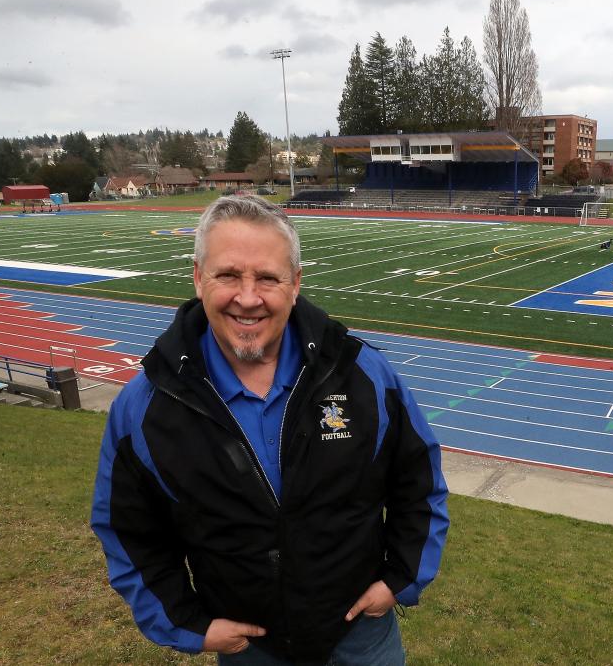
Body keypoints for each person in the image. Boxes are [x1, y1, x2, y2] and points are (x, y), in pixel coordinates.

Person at [91, 195, 449, 665]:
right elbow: (128, 530)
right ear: (198, 278)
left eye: (266, 278)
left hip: (362, 635)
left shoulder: (363, 374)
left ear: (295, 284)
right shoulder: (145, 406)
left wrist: (399, 578)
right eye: (227, 275)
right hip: (250, 647)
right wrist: (185, 622)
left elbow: (419, 480)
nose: (247, 297)